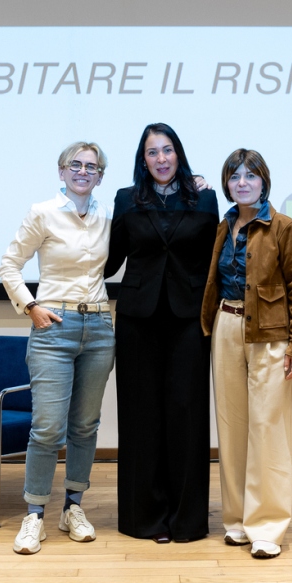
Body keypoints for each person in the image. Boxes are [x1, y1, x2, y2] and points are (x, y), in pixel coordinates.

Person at [0, 142, 116, 555]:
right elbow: (9, 264)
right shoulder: (42, 212)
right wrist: (30, 306)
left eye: (91, 166)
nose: (83, 171)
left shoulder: (108, 216)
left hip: (99, 327)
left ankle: (73, 508)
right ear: (62, 171)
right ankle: (34, 516)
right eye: (75, 165)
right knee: (48, 427)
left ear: (100, 176)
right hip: (54, 328)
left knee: (85, 426)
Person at [105, 122, 219, 543]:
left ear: (179, 153)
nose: (161, 158)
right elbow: (110, 260)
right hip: (138, 319)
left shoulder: (205, 197)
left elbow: (215, 259)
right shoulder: (126, 198)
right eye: (152, 152)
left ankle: (187, 520)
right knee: (141, 415)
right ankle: (144, 519)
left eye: (167, 150)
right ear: (143, 159)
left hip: (190, 319)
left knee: (187, 414)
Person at [200, 148, 292, 559]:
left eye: (250, 175)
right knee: (232, 428)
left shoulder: (285, 227)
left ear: (264, 181)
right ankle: (237, 520)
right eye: (234, 176)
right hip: (226, 326)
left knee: (268, 428)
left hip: (270, 333)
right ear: (226, 184)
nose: (242, 183)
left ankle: (266, 526)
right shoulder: (223, 225)